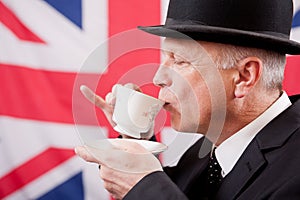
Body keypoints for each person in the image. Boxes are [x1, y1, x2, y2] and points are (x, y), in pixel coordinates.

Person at [75, 0, 300, 199]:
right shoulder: (209, 148)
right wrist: (135, 138)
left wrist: (145, 189)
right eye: (166, 57)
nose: (158, 78)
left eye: (180, 61)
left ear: (244, 77)